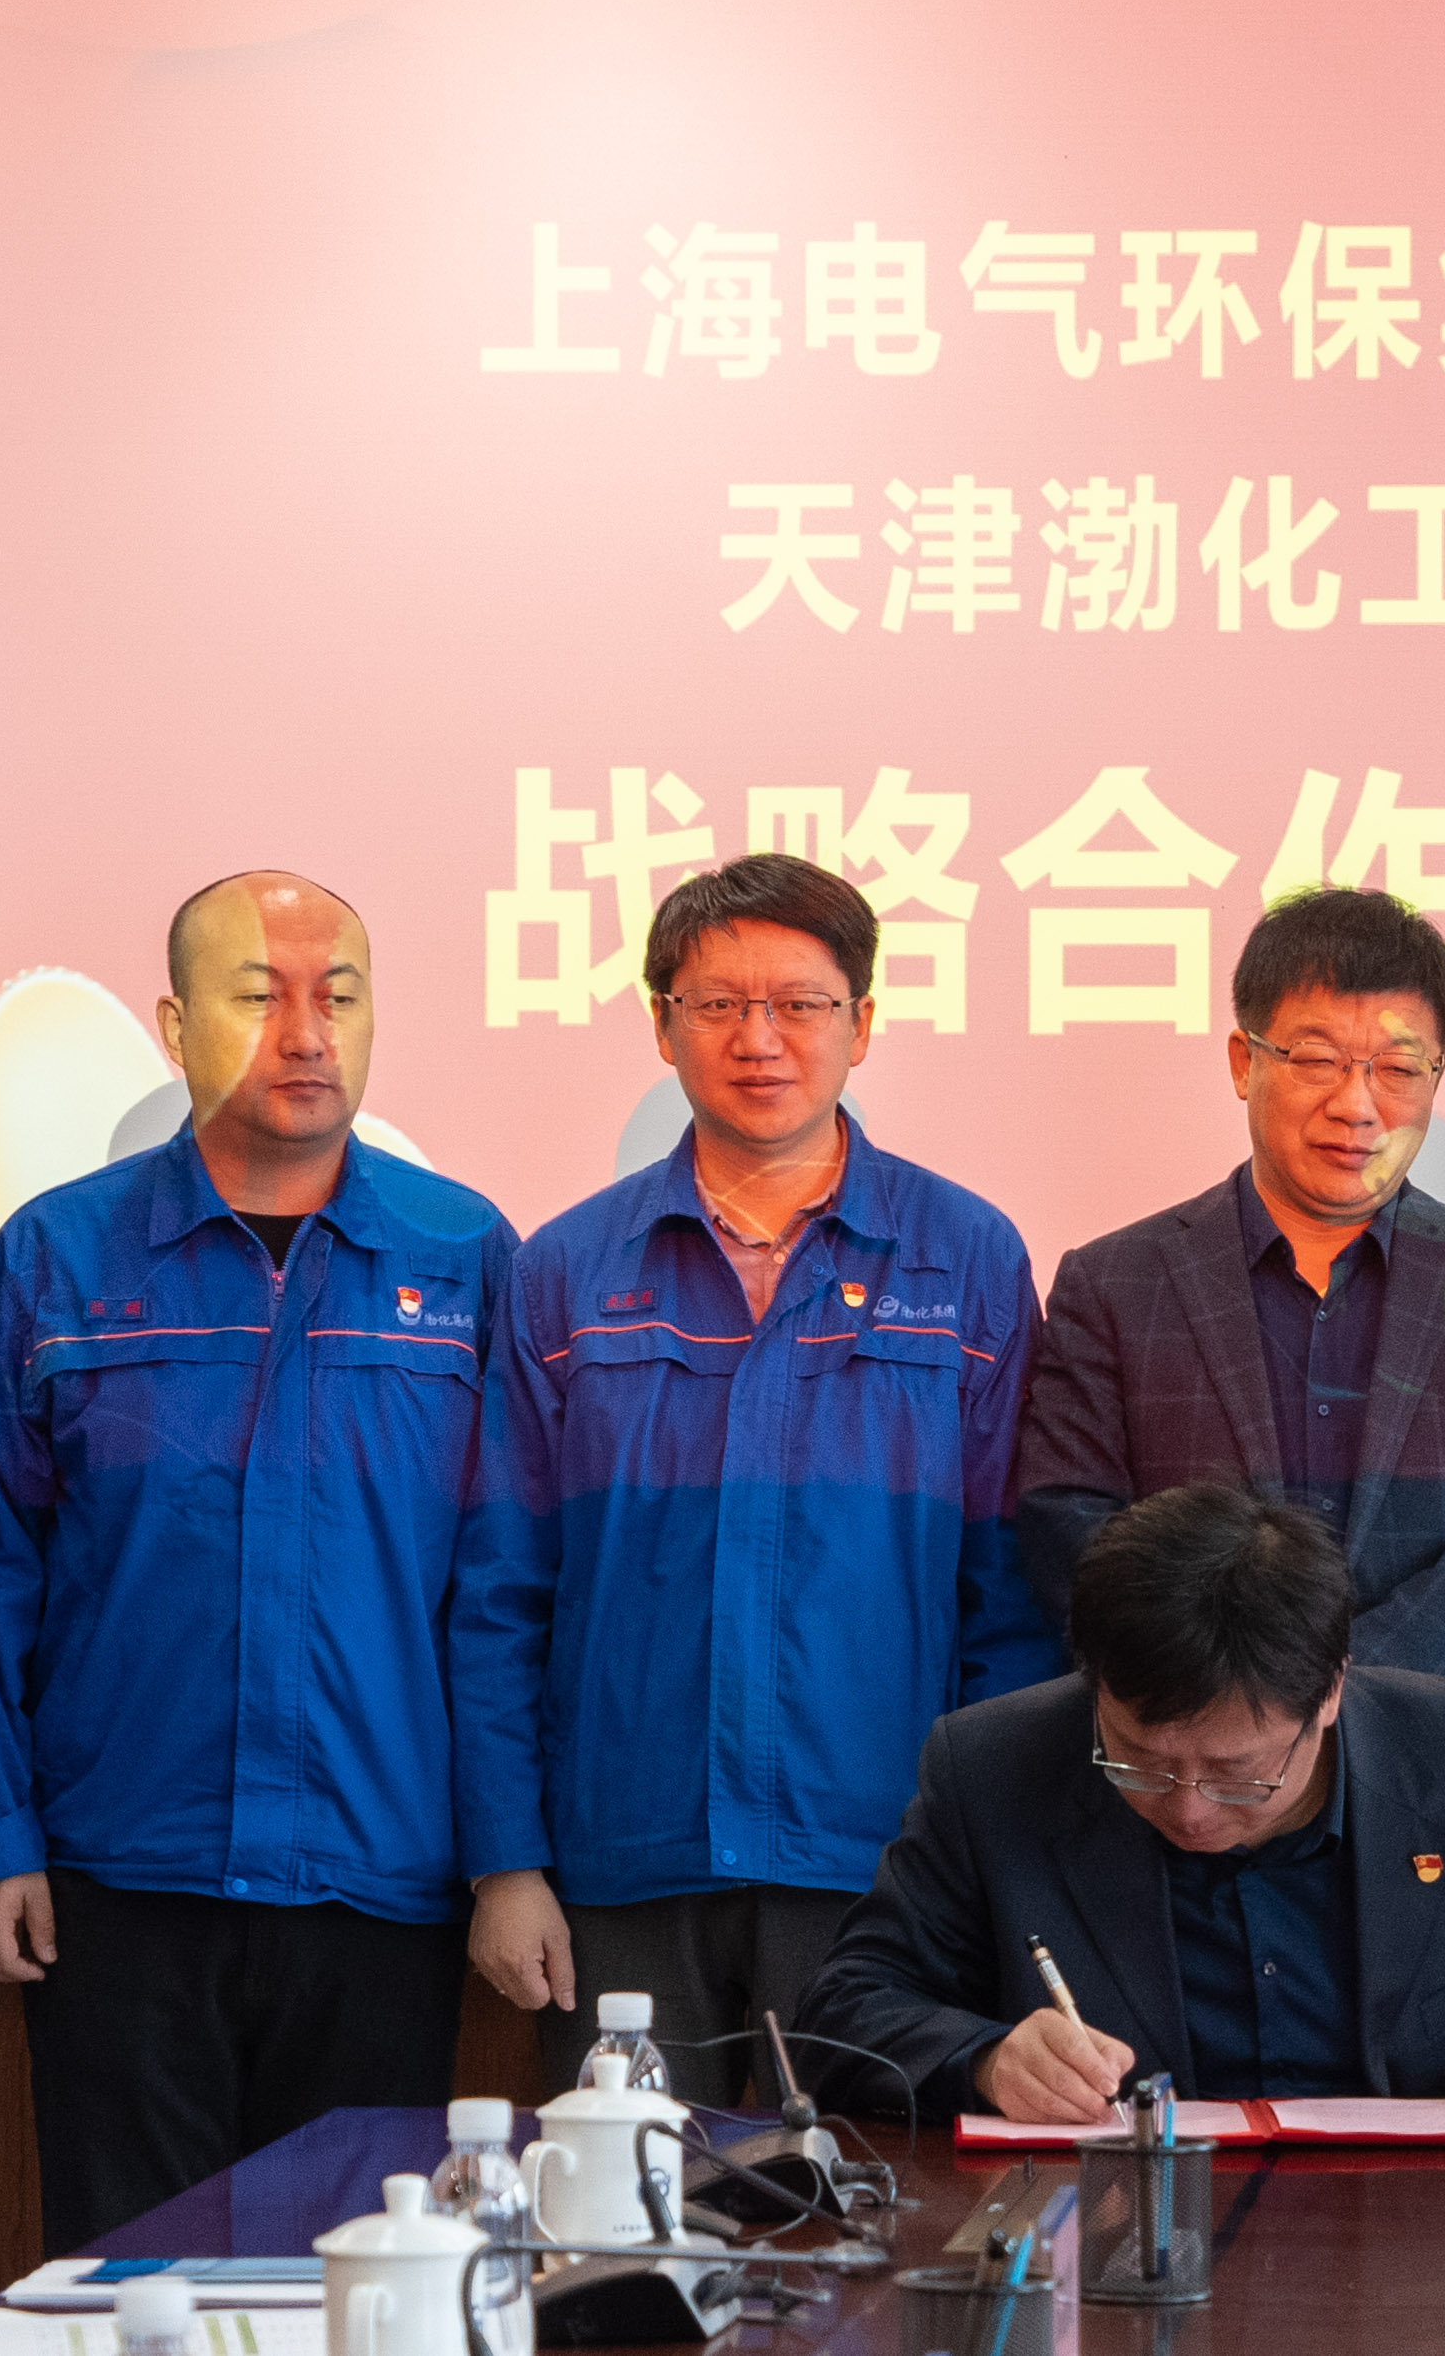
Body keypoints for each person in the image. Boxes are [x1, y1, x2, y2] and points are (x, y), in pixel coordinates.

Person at [0, 870, 518, 2248]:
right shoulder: (58, 1255)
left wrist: (508, 1857)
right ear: (174, 1024)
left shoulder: (466, 1256)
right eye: (257, 996)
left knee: (365, 2288)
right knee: (136, 2286)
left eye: (339, 996)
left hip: (382, 1882)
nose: (305, 1033)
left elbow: (501, 1591)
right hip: (123, 1880)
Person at [454, 854, 1063, 2096]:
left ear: (863, 1023)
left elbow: (1007, 1596)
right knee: (629, 2206)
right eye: (719, 1004)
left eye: (801, 1003)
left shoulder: (967, 1259)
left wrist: (991, 1861)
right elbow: (503, 1587)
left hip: (881, 1860)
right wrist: (505, 1861)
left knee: (866, 2203)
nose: (760, 1038)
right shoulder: (567, 1270)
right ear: (662, 1025)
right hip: (623, 1857)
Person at [794, 1482, 1445, 2124]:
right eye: (1138, 1762)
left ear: (1328, 1694)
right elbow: (849, 2005)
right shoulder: (994, 1764)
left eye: (1237, 1775)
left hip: (1430, 2229)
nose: (1188, 1811)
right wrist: (984, 2060)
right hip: (1123, 2230)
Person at [1014, 887, 1445, 1684]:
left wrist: (1351, 1683)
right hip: (1188, 1730)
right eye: (1317, 1060)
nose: (1356, 1106)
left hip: (1438, 1733)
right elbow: (1067, 1515)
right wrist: (1233, 1689)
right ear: (1243, 1062)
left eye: (1398, 1068)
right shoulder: (1114, 1284)